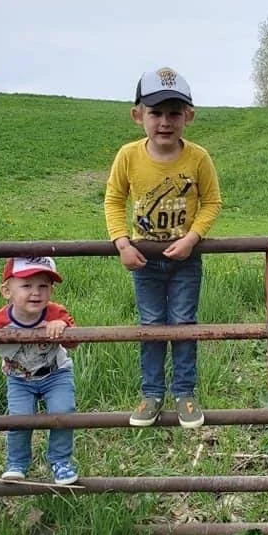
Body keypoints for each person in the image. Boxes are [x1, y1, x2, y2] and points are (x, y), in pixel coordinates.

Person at [104, 67, 223, 429]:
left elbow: (212, 202)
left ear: (189, 116)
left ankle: (185, 392)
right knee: (151, 325)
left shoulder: (198, 158)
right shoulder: (128, 156)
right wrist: (122, 243)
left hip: (186, 259)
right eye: (155, 113)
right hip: (144, 260)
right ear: (137, 115)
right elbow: (114, 200)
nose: (165, 122)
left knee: (184, 323)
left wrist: (192, 238)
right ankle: (152, 394)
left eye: (174, 113)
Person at [0, 257, 80, 484]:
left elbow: (74, 341)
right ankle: (17, 463)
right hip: (19, 380)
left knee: (63, 412)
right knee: (19, 419)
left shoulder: (55, 313)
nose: (36, 292)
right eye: (26, 285)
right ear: (7, 291)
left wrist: (62, 327)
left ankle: (60, 461)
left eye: (43, 286)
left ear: (51, 290)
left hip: (56, 374)